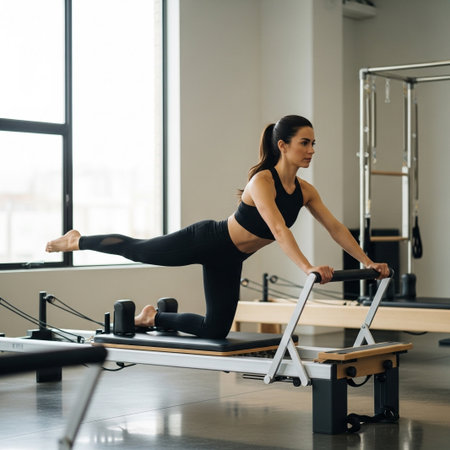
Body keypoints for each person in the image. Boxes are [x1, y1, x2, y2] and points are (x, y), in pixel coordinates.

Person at [46, 115, 389, 339]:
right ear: (282, 145)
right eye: (305, 143)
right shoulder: (262, 181)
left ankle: (154, 318)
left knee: (215, 331)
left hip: (230, 259)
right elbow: (280, 229)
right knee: (140, 250)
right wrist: (307, 268)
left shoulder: (305, 191)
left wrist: (368, 262)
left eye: (314, 144)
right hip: (207, 240)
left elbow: (336, 228)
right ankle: (79, 239)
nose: (311, 150)